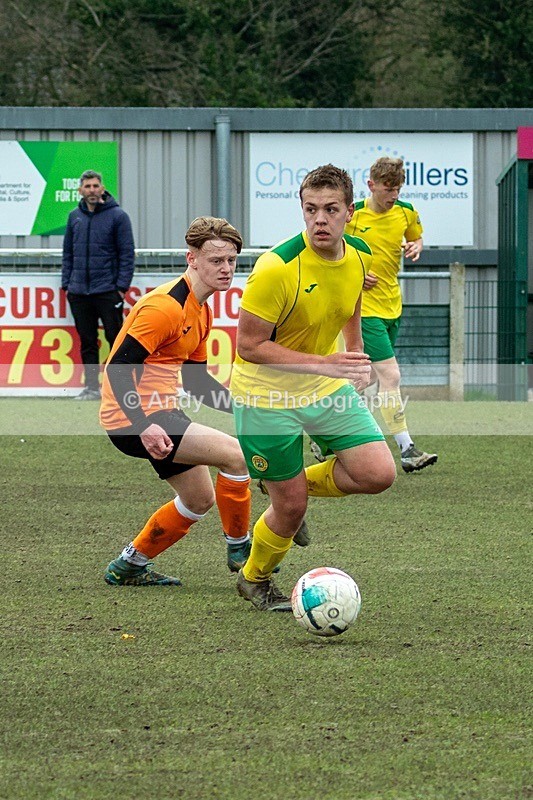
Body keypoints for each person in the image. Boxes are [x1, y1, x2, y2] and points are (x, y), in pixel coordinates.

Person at [230, 164, 396, 611]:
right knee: (291, 508)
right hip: (265, 395)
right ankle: (255, 578)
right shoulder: (276, 268)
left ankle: (285, 486)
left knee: (377, 474)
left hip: (323, 385)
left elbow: (351, 300)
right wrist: (329, 363)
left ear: (349, 213)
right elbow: (248, 346)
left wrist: (356, 356)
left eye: (330, 210)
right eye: (310, 210)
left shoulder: (359, 255)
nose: (319, 219)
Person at [100, 216, 254, 586]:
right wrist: (143, 425)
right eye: (216, 260)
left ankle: (129, 565)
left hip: (160, 413)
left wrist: (247, 407)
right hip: (134, 418)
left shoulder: (202, 310)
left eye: (232, 260)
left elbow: (197, 382)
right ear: (192, 259)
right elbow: (117, 369)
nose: (226, 268)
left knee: (199, 499)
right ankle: (242, 548)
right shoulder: (164, 307)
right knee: (236, 456)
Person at [340, 156, 438, 473]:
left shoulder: (406, 211)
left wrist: (416, 245)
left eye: (397, 189)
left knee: (366, 377)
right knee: (390, 376)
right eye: (387, 189)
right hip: (363, 309)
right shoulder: (352, 214)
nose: (393, 195)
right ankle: (407, 448)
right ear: (371, 185)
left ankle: (324, 430)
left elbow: (415, 236)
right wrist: (354, 274)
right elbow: (330, 249)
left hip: (392, 305)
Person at [62, 169, 135, 400]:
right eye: (87, 186)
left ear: (102, 188)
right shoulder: (74, 216)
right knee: (87, 341)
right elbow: (68, 254)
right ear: (80, 190)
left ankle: (120, 390)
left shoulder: (118, 216)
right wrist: (67, 284)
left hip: (107, 292)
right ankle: (92, 387)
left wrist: (121, 287)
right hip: (79, 292)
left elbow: (127, 254)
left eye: (95, 186)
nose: (92, 190)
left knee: (117, 340)